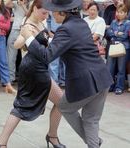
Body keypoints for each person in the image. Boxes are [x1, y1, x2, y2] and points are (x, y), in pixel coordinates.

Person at [20, 0, 113, 148]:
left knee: (65, 107)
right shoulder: (80, 23)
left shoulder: (66, 29)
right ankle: (94, 142)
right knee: (91, 120)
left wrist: (29, 37)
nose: (52, 13)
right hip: (102, 78)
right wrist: (47, 38)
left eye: (54, 10)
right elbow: (67, 43)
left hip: (85, 82)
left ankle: (93, 141)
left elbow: (47, 56)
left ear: (62, 12)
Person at [0, 0, 66, 148]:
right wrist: (25, 36)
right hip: (33, 70)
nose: (46, 16)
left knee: (25, 105)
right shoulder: (27, 25)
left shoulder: (41, 22)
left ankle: (1, 143)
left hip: (38, 68)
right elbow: (17, 43)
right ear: (34, 9)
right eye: (44, 12)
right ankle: (2, 143)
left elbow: (46, 41)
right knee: (25, 105)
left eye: (48, 13)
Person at [106, 4, 130, 94]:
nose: (119, 14)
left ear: (125, 13)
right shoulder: (113, 22)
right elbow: (108, 32)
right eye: (118, 12)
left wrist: (114, 33)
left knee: (121, 69)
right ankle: (110, 86)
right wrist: (117, 33)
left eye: (121, 12)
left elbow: (125, 36)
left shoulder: (128, 23)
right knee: (110, 68)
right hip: (113, 46)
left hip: (123, 47)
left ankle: (119, 87)